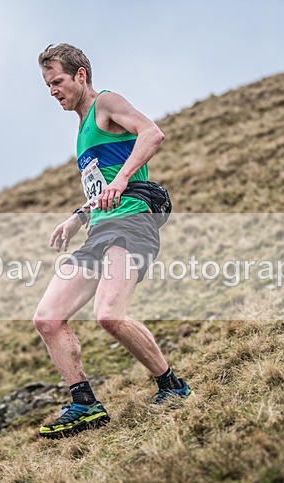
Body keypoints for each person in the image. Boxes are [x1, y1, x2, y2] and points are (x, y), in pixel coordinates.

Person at [33, 44, 193, 439]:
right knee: (47, 318)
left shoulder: (106, 102)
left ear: (81, 75)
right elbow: (100, 186)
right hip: (99, 228)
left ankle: (171, 385)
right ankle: (84, 403)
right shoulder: (83, 126)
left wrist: (123, 179)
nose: (53, 90)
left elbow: (152, 133)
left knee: (109, 315)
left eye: (58, 81)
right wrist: (78, 216)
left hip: (133, 223)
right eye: (48, 85)